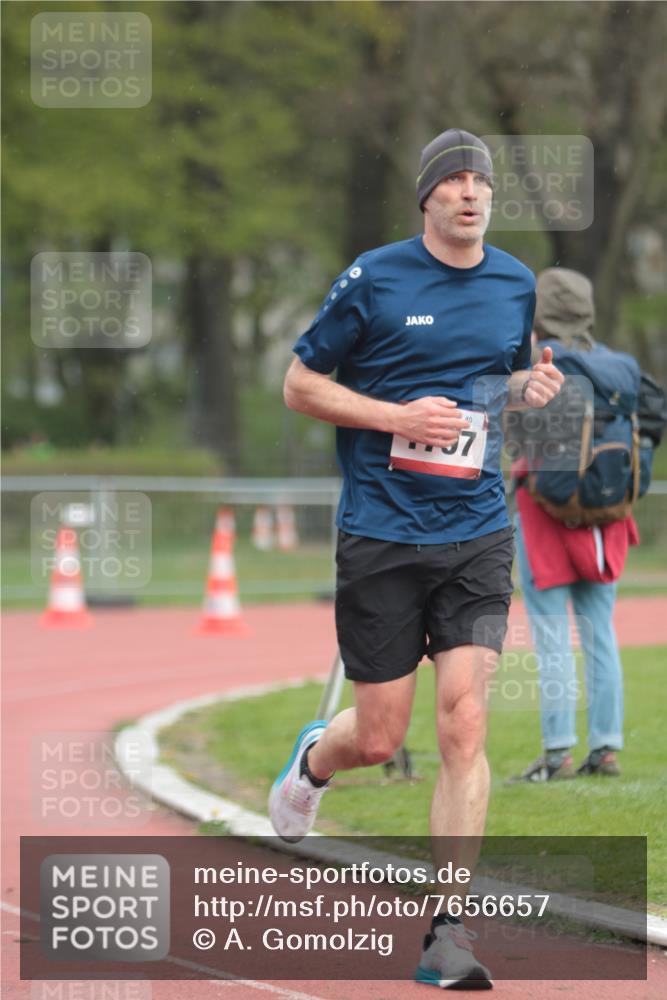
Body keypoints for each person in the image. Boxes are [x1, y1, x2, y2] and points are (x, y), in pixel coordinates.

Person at [268, 128, 563, 989]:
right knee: (380, 735)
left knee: (464, 722)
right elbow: (298, 385)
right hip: (382, 534)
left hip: (476, 530)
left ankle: (449, 931)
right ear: (427, 198)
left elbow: (495, 381)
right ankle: (317, 756)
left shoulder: (514, 282)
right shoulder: (375, 277)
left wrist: (527, 390)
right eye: (454, 180)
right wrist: (394, 418)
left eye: (481, 182)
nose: (470, 193)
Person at [509, 268, 639, 783]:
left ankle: (557, 753)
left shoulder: (542, 367)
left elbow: (513, 429)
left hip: (545, 512)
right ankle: (606, 747)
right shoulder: (617, 366)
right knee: (600, 634)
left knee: (551, 636)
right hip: (606, 516)